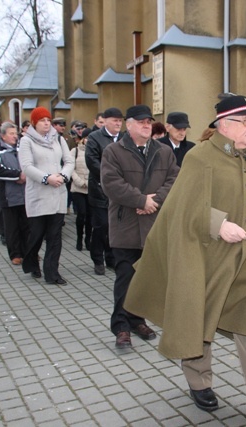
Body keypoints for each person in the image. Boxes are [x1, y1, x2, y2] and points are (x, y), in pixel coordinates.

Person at [123, 94, 246, 418]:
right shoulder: (201, 158)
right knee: (198, 325)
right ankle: (199, 384)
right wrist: (218, 224)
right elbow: (181, 209)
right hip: (208, 259)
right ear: (224, 125)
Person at [100, 104, 178, 349]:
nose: (146, 125)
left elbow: (175, 179)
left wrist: (154, 201)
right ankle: (121, 326)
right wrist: (141, 199)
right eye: (141, 121)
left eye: (149, 121)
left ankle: (137, 319)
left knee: (147, 279)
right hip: (127, 225)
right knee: (125, 278)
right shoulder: (113, 151)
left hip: (154, 224)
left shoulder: (164, 151)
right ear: (129, 124)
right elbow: (111, 183)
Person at [19, 107, 74, 285]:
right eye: (42, 120)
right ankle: (32, 262)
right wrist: (46, 178)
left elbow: (69, 160)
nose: (46, 123)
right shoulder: (27, 141)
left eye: (48, 120)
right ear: (34, 122)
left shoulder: (58, 138)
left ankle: (52, 273)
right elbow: (27, 167)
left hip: (58, 192)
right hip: (39, 194)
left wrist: (63, 176)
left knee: (54, 235)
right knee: (36, 234)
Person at [85, 107, 124, 275]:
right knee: (101, 226)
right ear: (105, 120)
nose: (118, 123)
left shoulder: (125, 138)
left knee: (115, 227)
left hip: (121, 191)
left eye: (120, 120)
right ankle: (97, 259)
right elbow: (92, 161)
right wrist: (110, 177)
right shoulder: (95, 138)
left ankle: (111, 258)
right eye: (114, 120)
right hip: (100, 190)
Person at [0, 121, 29, 265]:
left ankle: (28, 253)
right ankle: (15, 254)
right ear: (3, 136)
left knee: (26, 226)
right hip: (8, 196)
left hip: (25, 194)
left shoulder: (22, 149)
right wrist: (18, 175)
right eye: (11, 134)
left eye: (15, 133)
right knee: (12, 227)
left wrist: (26, 174)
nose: (14, 136)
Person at [70, 128, 92, 251]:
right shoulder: (75, 151)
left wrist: (89, 182)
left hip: (90, 188)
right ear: (83, 139)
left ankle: (88, 239)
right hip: (78, 189)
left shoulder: (95, 151)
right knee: (81, 214)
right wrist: (79, 181)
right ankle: (79, 237)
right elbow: (70, 168)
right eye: (87, 138)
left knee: (89, 216)